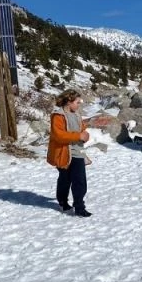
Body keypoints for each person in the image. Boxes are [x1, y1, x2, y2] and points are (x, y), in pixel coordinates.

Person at [47, 89, 92, 217]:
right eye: (77, 102)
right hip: (63, 153)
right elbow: (58, 135)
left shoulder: (77, 114)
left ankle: (79, 206)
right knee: (65, 180)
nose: (79, 105)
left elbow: (81, 128)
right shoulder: (58, 116)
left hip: (77, 152)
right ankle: (62, 201)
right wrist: (79, 136)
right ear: (68, 102)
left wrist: (85, 133)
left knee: (80, 180)